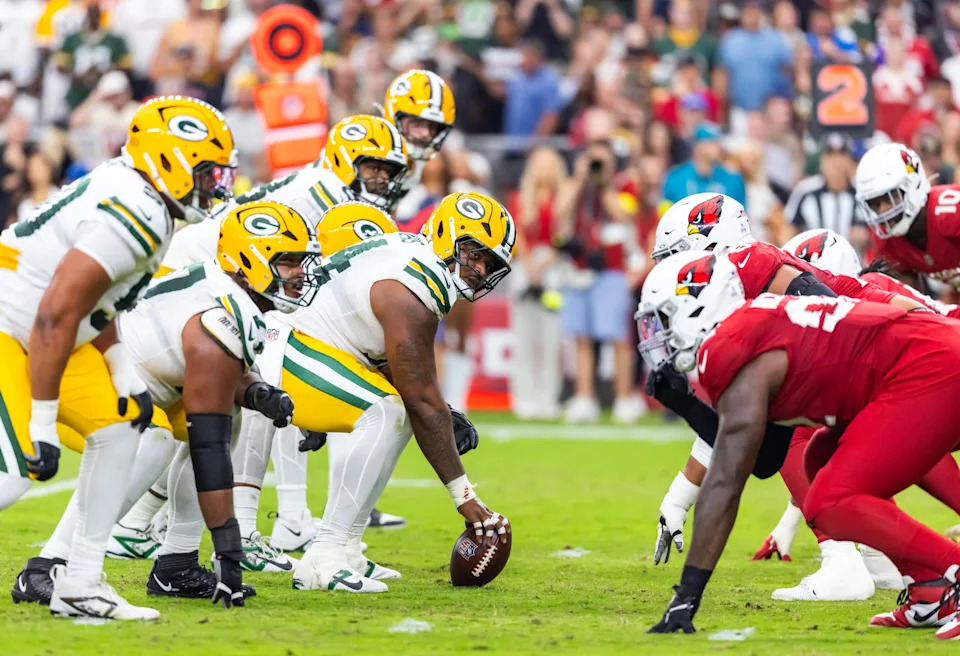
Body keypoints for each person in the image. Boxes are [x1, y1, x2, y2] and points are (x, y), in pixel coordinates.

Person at [110, 114, 409, 560]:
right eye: (373, 167)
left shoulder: (333, 192)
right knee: (255, 394)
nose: (381, 179)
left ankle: (138, 525)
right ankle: (250, 528)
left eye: (388, 171)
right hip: (213, 275)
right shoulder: (322, 199)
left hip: (225, 275)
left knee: (227, 407)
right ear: (347, 161)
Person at [13, 200, 319, 607]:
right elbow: (208, 442)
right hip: (80, 365)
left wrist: (259, 392)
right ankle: (49, 566)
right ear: (251, 261)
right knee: (152, 436)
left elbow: (213, 368)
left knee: (225, 417)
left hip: (132, 376)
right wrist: (229, 550)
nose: (299, 274)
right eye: (289, 262)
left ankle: (176, 562)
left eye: (302, 261)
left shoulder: (225, 294)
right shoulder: (222, 315)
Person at [641, 251, 960, 641]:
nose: (656, 334)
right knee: (818, 460)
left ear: (698, 309)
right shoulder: (755, 326)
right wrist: (687, 406)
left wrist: (687, 595)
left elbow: (726, 481)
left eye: (664, 319)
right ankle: (928, 587)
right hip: (927, 358)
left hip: (929, 366)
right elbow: (765, 459)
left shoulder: (731, 347)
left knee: (830, 502)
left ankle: (952, 568)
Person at [0, 95, 236, 620]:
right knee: (15, 470)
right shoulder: (134, 209)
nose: (215, 184)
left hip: (39, 325)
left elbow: (96, 308)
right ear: (169, 161)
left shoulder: (145, 201)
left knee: (127, 430)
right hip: (12, 322)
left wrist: (124, 370)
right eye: (206, 170)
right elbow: (55, 314)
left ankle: (79, 581)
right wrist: (42, 421)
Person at [236, 193, 512, 592]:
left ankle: (346, 547)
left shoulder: (416, 259)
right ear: (446, 236)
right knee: (388, 412)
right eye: (476, 253)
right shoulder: (414, 284)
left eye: (491, 264)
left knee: (397, 410)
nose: (481, 268)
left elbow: (405, 374)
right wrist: (465, 498)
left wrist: (440, 409)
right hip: (284, 341)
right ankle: (324, 554)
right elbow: (420, 396)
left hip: (309, 341)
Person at [554, 140, 644, 424]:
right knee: (581, 337)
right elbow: (558, 214)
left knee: (617, 337)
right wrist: (580, 180)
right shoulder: (574, 185)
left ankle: (624, 397)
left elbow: (623, 215)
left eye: (601, 162)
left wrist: (604, 185)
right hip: (578, 268)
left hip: (612, 268)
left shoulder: (623, 185)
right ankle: (584, 397)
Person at [507, 146, 565, 420]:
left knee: (552, 337)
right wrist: (530, 264)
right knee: (524, 336)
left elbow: (565, 235)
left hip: (554, 268)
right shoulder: (520, 198)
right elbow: (516, 233)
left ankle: (548, 397)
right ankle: (524, 397)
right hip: (524, 268)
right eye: (540, 165)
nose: (545, 171)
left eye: (550, 165)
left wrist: (545, 262)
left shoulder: (563, 200)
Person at [856, 142, 960, 290]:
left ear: (913, 186)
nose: (883, 211)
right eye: (875, 204)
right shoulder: (888, 240)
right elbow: (913, 303)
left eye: (890, 198)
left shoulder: (950, 211)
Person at [784, 133, 865, 248]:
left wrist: (867, 237)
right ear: (822, 160)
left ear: (849, 160)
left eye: (841, 155)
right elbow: (789, 229)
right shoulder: (805, 191)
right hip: (813, 262)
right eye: (830, 155)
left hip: (855, 262)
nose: (836, 161)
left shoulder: (862, 193)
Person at [53, 3, 131, 110]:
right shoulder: (72, 39)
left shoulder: (114, 40)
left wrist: (105, 73)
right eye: (90, 14)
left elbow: (126, 66)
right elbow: (60, 66)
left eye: (96, 14)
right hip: (77, 93)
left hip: (107, 95)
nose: (93, 17)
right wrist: (78, 75)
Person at [661, 122, 746, 206]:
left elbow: (742, 213)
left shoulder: (732, 179)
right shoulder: (675, 178)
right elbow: (665, 212)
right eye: (712, 142)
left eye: (718, 142)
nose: (718, 146)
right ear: (698, 145)